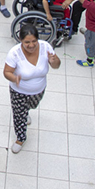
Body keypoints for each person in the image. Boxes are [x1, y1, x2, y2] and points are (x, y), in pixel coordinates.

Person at [5, 24, 61, 153]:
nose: (31, 45)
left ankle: (26, 112)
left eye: (34, 41)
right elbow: (6, 72)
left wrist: (54, 61)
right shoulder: (14, 53)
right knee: (19, 115)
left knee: (31, 106)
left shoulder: (46, 47)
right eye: (27, 42)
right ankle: (20, 138)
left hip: (39, 90)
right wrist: (15, 78)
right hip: (19, 91)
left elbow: (56, 66)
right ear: (21, 41)